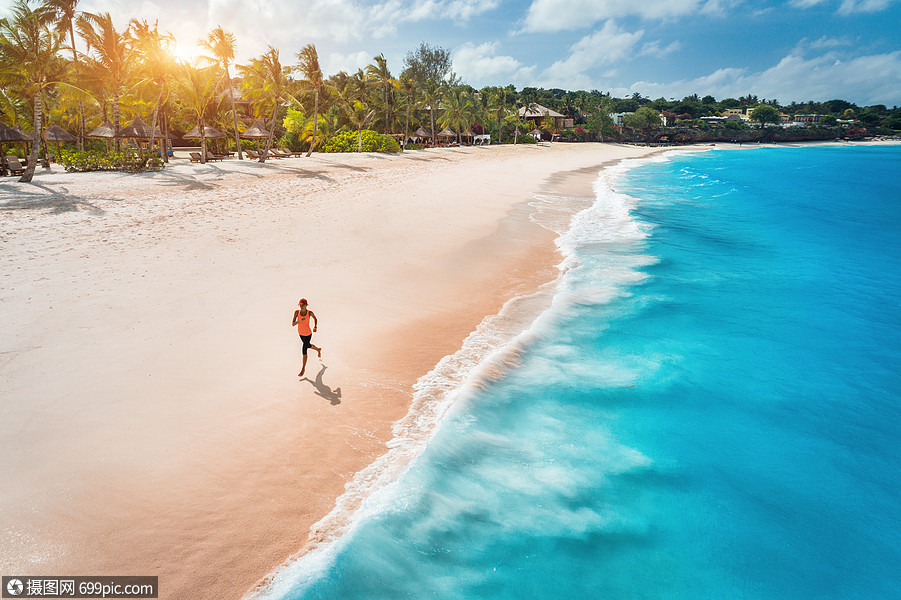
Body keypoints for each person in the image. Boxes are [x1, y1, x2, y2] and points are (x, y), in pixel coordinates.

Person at [292, 298, 321, 377]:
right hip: (300, 333)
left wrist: (315, 327)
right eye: (300, 305)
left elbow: (315, 319)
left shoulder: (309, 313)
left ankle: (303, 369)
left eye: (303, 305)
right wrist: (300, 320)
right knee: (307, 345)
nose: (301, 306)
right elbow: (293, 324)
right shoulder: (296, 312)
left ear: (306, 305)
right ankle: (318, 349)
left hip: (308, 334)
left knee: (304, 349)